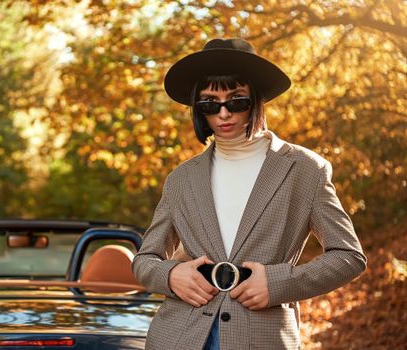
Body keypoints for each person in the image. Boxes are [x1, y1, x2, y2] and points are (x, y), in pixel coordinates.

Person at [131, 38, 367, 350]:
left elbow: (349, 257)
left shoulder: (306, 170)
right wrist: (171, 275)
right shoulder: (180, 179)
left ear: (255, 101)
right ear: (199, 110)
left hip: (262, 337)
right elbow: (145, 259)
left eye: (237, 101)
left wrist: (279, 284)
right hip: (178, 337)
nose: (224, 113)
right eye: (210, 104)